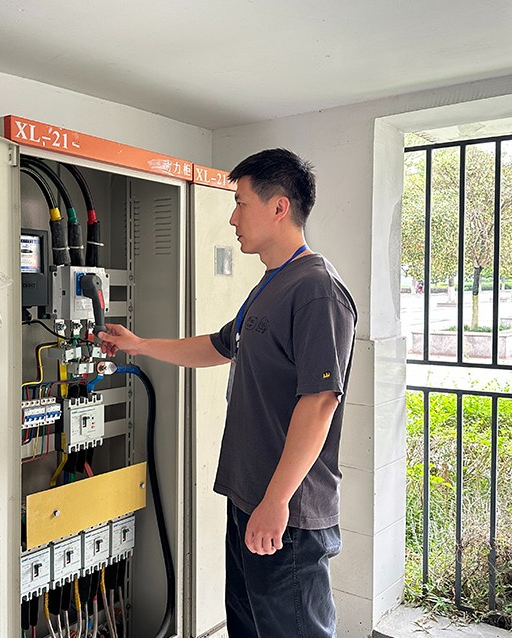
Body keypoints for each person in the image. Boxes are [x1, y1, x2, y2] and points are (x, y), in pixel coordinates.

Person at [99, 148, 357, 637]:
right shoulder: (270, 284)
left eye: (241, 204)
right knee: (248, 628)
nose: (233, 218)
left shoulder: (316, 289)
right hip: (247, 497)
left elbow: (320, 401)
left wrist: (276, 501)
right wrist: (140, 345)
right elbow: (219, 346)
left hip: (288, 513)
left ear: (279, 207)